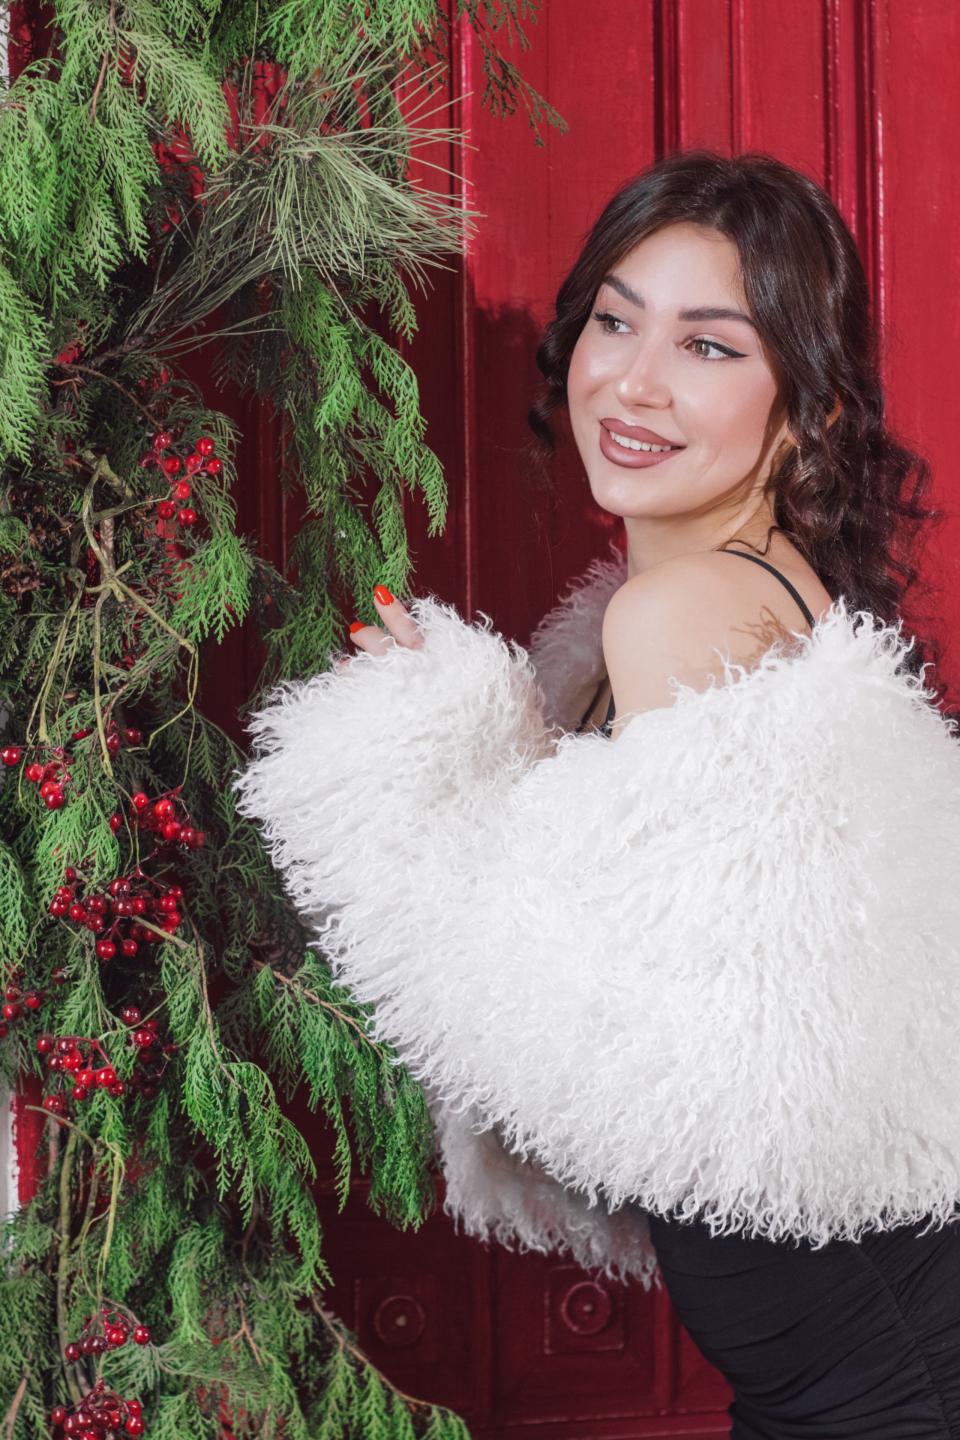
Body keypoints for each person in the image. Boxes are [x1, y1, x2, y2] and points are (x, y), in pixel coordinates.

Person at [235, 152, 960, 1437]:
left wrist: (402, 762)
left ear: (811, 408)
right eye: (616, 322)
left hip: (882, 1371)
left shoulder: (680, 610)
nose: (633, 381)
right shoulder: (742, 589)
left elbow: (620, 1033)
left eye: (709, 346)